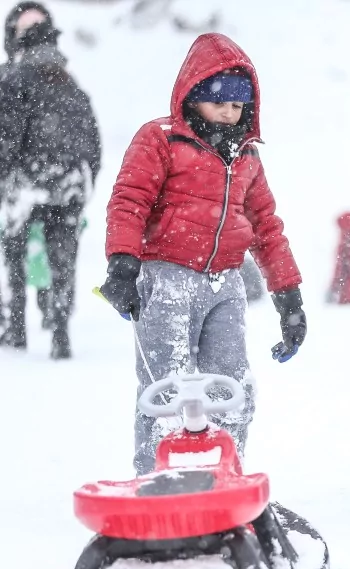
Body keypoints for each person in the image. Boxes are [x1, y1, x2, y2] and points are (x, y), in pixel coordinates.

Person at [98, 33, 306, 475]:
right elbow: (129, 201)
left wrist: (289, 299)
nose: (230, 113)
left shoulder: (246, 156)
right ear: (193, 97)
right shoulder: (162, 139)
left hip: (225, 285)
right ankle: (156, 478)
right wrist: (122, 264)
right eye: (220, 103)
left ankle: (224, 476)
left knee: (229, 387)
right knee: (167, 391)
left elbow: (267, 227)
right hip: (166, 276)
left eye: (238, 105)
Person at [0, 2, 100, 358]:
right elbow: (93, 143)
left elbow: (6, 139)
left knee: (14, 257)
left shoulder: (11, 80)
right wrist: (83, 185)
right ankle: (60, 333)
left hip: (25, 185)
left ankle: (15, 329)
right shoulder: (71, 85)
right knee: (62, 261)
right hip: (68, 185)